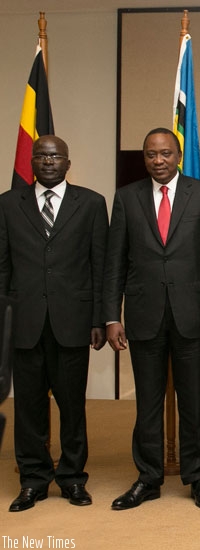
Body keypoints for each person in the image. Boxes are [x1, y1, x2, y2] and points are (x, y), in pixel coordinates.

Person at [104, 128, 200, 510]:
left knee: (192, 402)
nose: (159, 160)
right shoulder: (126, 198)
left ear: (177, 156)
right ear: (144, 158)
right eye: (151, 154)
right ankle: (148, 478)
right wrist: (111, 315)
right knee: (148, 404)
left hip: (193, 316)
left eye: (166, 153)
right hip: (143, 316)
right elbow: (115, 263)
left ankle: (198, 478)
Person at [0, 136, 108, 512]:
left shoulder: (92, 204)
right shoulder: (8, 204)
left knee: (72, 407)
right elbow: (2, 268)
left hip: (74, 322)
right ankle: (33, 481)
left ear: (67, 162)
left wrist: (98, 318)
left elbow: (100, 267)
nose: (48, 161)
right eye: (42, 156)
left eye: (56, 155)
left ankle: (73, 479)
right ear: (31, 161)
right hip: (25, 324)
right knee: (28, 407)